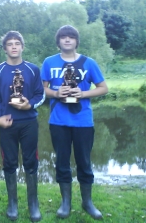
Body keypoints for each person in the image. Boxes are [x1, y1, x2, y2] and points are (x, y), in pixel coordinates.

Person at [41, 25, 108, 220]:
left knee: (84, 163)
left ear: (76, 41)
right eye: (63, 37)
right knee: (62, 162)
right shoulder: (49, 62)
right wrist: (55, 93)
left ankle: (87, 202)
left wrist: (83, 93)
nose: (67, 40)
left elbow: (103, 88)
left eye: (71, 37)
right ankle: (65, 203)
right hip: (58, 121)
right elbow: (41, 90)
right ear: (59, 41)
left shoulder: (89, 62)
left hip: (83, 121)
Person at [0, 31, 45, 222]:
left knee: (31, 162)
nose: (14, 46)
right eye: (10, 44)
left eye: (17, 43)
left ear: (22, 46)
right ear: (5, 48)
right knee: (9, 162)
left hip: (29, 122)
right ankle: (12, 202)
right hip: (7, 124)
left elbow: (41, 94)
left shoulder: (32, 70)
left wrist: (29, 104)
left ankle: (33, 203)